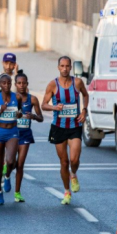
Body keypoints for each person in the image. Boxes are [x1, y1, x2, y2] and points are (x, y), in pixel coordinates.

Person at [41, 56, 89, 205]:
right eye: (62, 66)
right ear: (58, 67)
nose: (65, 69)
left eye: (67, 66)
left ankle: (73, 174)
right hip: (59, 127)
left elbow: (85, 95)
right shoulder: (52, 85)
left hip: (74, 126)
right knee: (64, 162)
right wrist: (54, 107)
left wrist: (84, 110)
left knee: (74, 159)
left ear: (70, 68)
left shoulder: (77, 82)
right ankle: (67, 191)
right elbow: (44, 104)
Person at [0, 74, 23, 205]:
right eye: (4, 83)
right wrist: (0, 112)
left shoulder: (17, 97)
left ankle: (7, 176)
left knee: (11, 161)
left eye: (9, 83)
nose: (7, 85)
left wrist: (19, 114)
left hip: (12, 132)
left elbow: (20, 111)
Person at [13, 70, 43, 203]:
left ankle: (17, 192)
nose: (21, 85)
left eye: (23, 83)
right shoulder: (10, 98)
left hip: (25, 133)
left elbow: (41, 118)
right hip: (12, 134)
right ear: (15, 84)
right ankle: (6, 176)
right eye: (19, 83)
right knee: (10, 162)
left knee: (20, 164)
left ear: (27, 84)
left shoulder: (33, 99)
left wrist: (34, 116)